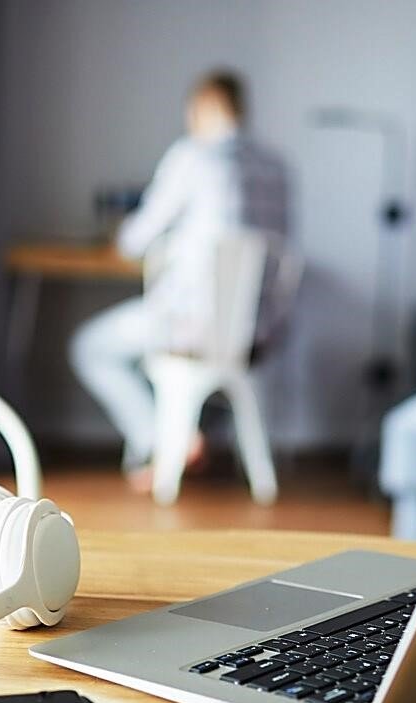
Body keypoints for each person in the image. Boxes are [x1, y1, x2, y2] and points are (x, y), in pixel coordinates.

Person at [71, 69, 290, 493]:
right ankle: (185, 435)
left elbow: (136, 240)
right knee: (195, 369)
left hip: (192, 326)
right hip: (257, 331)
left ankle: (160, 442)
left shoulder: (193, 156)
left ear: (202, 107)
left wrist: (129, 234)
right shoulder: (277, 168)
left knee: (90, 346)